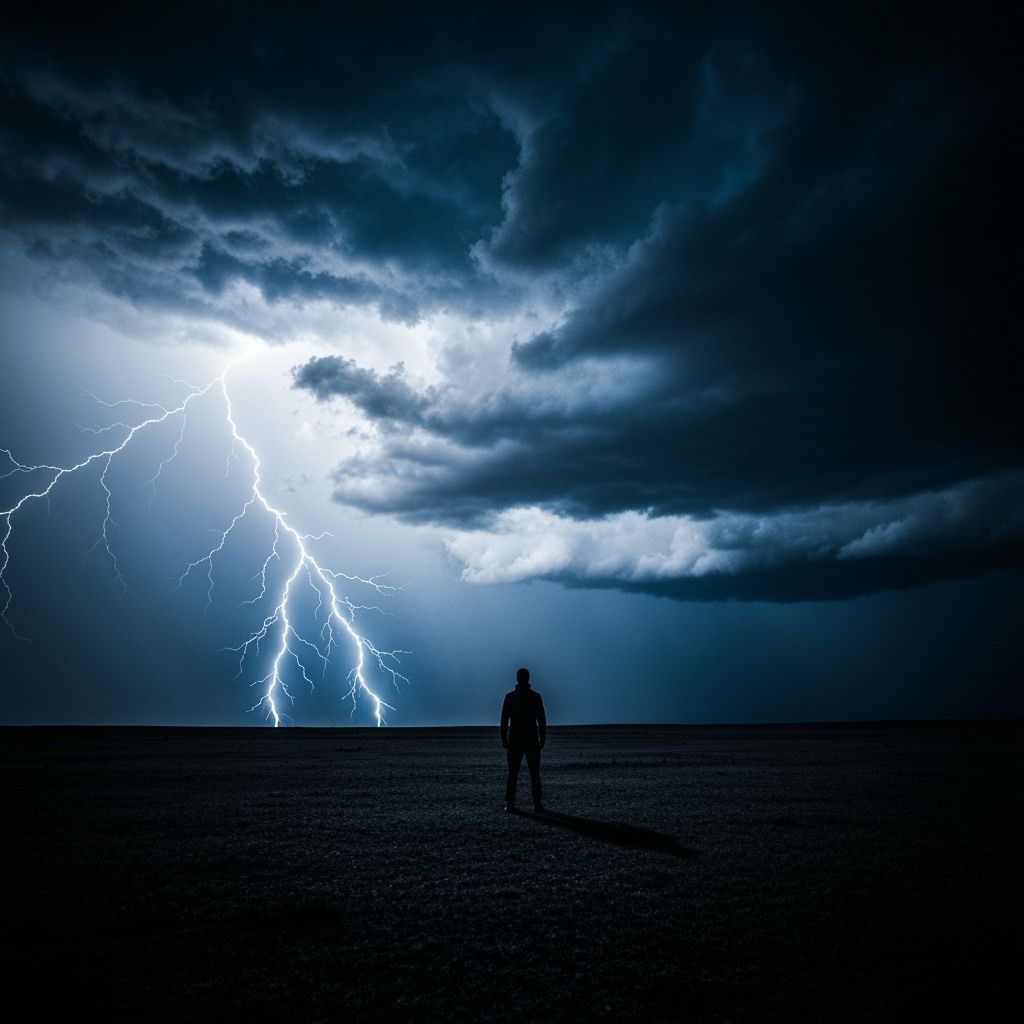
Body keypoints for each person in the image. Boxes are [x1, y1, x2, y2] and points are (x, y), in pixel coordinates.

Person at [500, 667, 547, 812]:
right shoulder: (535, 697)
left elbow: (504, 720)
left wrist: (504, 739)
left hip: (516, 739)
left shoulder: (510, 697)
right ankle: (537, 804)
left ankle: (511, 803)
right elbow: (542, 720)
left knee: (514, 773)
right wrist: (542, 738)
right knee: (533, 774)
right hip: (531, 739)